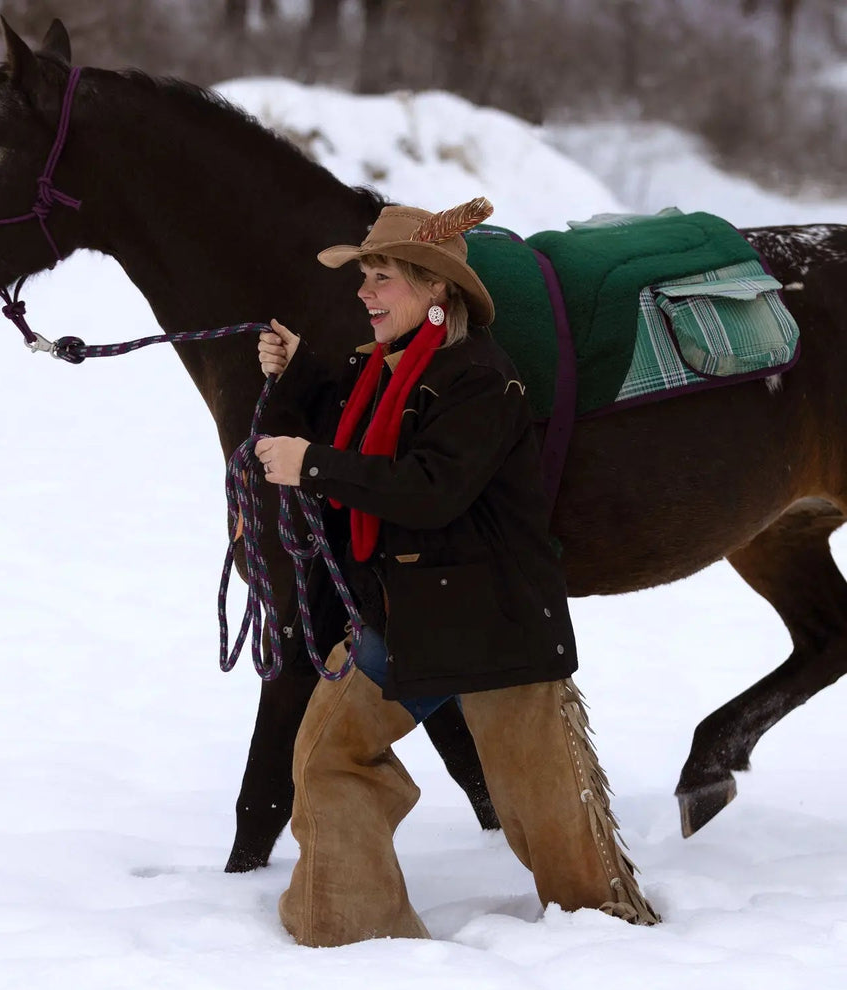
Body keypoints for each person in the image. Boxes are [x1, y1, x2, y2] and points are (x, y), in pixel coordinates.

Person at [254, 197, 659, 947]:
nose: (364, 293)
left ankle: (610, 948)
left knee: (546, 812)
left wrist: (310, 464)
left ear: (436, 287)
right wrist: (301, 373)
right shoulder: (382, 368)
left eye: (382, 278)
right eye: (364, 277)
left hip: (495, 621)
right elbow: (356, 427)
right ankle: (349, 927)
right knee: (328, 757)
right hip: (405, 616)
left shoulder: (480, 378)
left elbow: (429, 489)